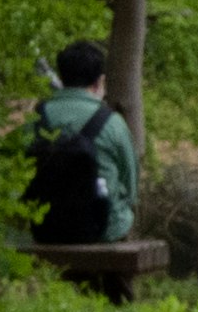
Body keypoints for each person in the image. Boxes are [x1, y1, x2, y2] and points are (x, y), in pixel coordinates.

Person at [28, 41, 139, 259]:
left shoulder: (36, 118)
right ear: (100, 82)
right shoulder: (113, 123)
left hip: (45, 228)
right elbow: (130, 186)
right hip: (103, 231)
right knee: (122, 215)